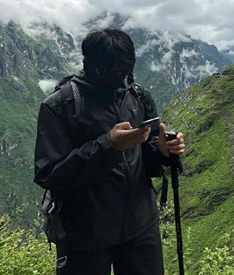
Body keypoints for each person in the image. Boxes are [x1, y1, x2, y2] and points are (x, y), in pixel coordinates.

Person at [34, 28, 185, 275]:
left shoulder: (138, 96)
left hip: (140, 227)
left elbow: (146, 155)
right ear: (93, 66)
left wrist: (163, 152)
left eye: (127, 70)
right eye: (117, 72)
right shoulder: (61, 105)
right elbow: (48, 173)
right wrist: (109, 146)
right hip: (85, 236)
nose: (124, 77)